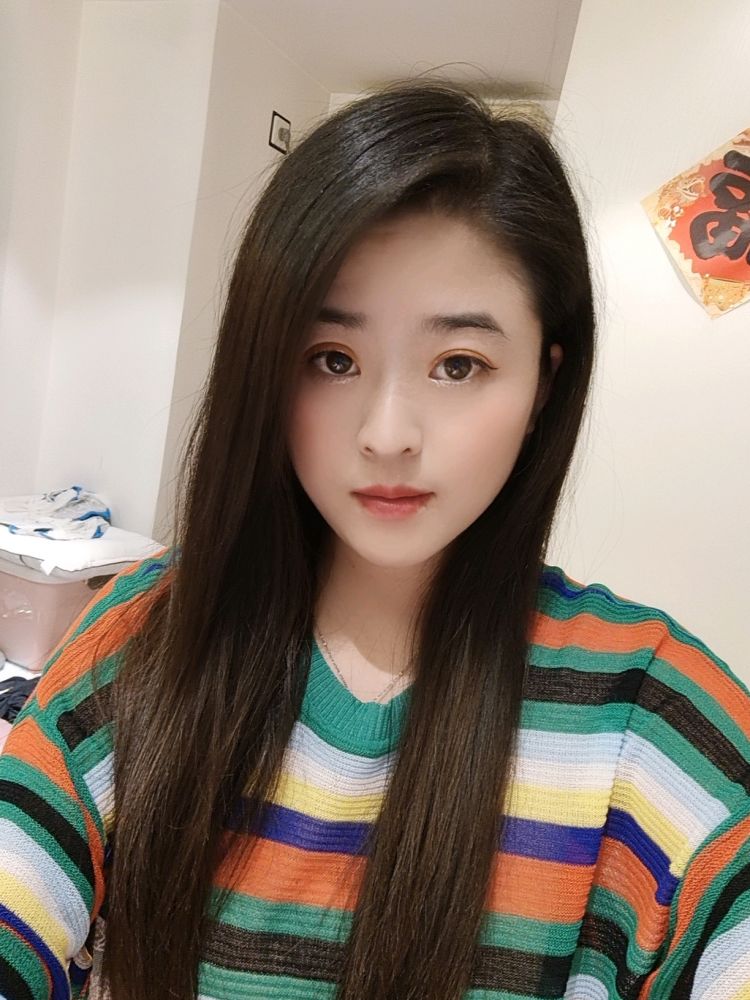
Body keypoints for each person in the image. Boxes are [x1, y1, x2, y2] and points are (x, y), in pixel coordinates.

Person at [1, 79, 749, 1000]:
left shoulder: (644, 716)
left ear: (544, 385)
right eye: (333, 360)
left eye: (459, 364)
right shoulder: (150, 638)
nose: (387, 433)